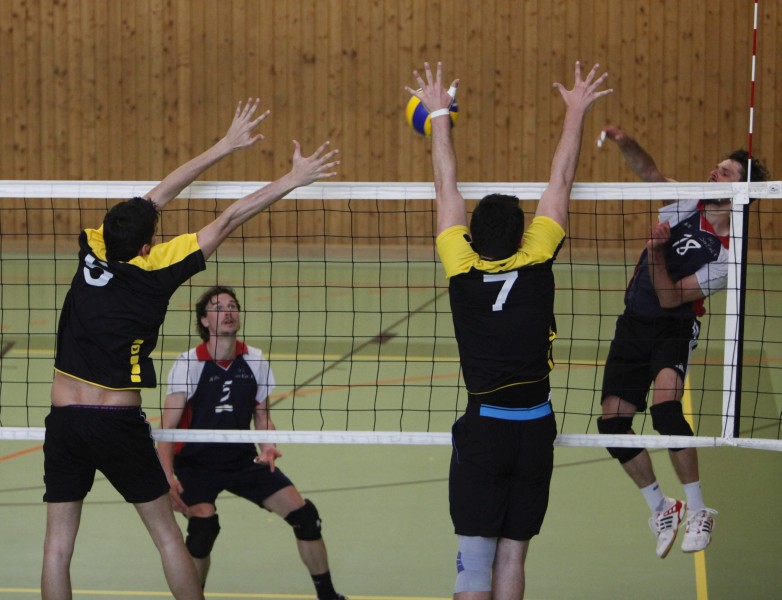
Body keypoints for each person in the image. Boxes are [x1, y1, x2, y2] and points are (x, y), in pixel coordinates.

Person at [42, 99, 340, 600]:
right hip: (116, 422)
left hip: (65, 417)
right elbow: (229, 218)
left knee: (57, 547)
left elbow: (154, 197)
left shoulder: (94, 246)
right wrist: (292, 179)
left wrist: (223, 146)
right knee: (166, 538)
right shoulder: (157, 270)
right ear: (145, 247)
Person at [406, 61, 611, 599]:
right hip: (536, 429)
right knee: (514, 556)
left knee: (474, 564)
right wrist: (575, 111)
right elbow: (560, 181)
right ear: (524, 236)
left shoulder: (460, 265)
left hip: (486, 431)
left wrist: (439, 115)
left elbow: (445, 186)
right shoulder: (538, 257)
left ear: (470, 236)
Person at [597, 126, 770, 558]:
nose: (714, 172)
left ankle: (698, 510)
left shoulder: (728, 256)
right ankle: (662, 507)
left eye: (726, 172)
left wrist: (657, 251)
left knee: (666, 412)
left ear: (741, 190)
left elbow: (672, 297)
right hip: (633, 322)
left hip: (673, 327)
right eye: (717, 167)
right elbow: (649, 172)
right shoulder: (687, 200)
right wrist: (624, 141)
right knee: (612, 425)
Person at [158, 286, 345, 599]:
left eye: (233, 306)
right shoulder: (188, 364)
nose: (228, 312)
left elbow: (262, 416)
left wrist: (267, 446)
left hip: (242, 459)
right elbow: (167, 429)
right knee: (203, 530)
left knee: (306, 518)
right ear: (204, 320)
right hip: (194, 464)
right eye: (218, 307)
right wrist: (167, 476)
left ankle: (328, 596)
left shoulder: (254, 359)